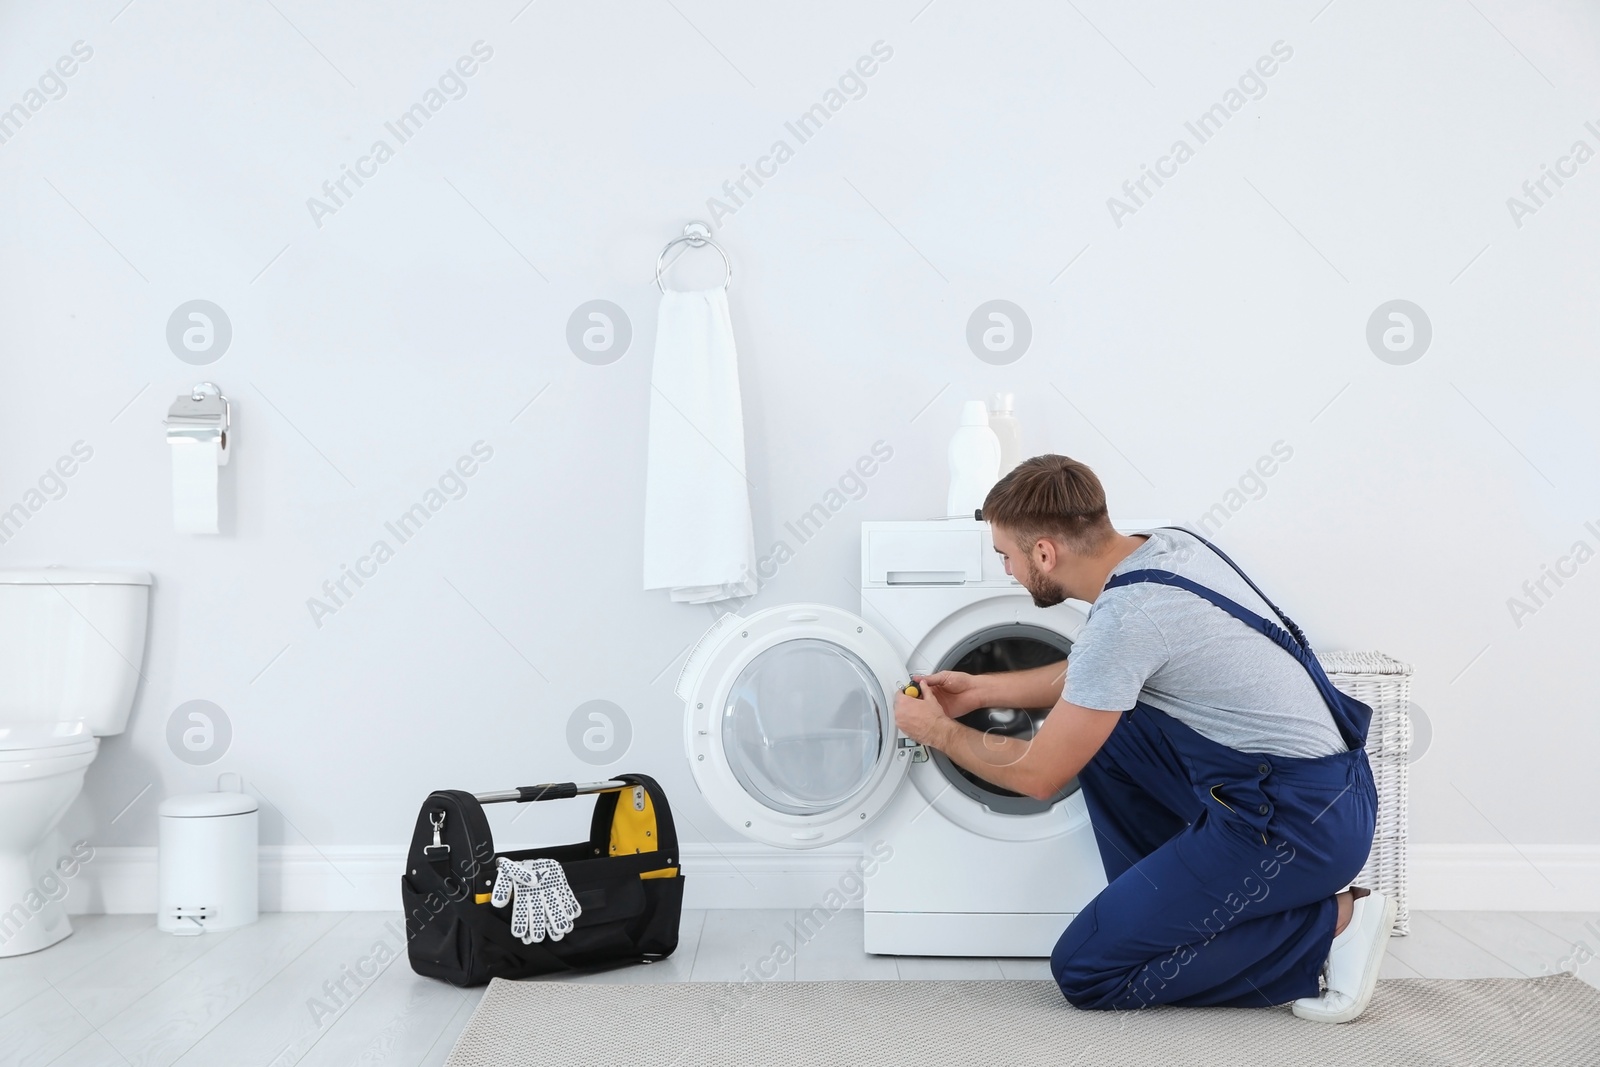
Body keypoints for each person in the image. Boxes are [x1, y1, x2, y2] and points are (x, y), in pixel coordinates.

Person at [892, 454, 1393, 1022]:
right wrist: (982, 691)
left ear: (1044, 553)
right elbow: (1097, 677)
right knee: (1113, 733)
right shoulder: (1169, 546)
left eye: (1005, 555)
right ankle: (1167, 915)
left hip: (1293, 828)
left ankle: (1337, 924)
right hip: (1322, 797)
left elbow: (1038, 775)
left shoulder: (1127, 618)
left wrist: (936, 730)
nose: (1006, 570)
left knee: (1086, 970)